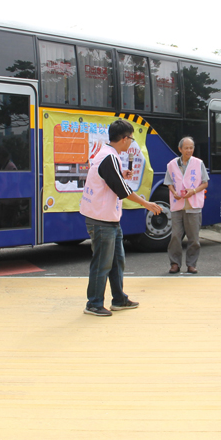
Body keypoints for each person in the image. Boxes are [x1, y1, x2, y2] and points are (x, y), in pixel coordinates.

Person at [79, 119, 162, 317]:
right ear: (124, 139)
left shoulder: (107, 155)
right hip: (101, 220)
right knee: (102, 262)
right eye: (131, 139)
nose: (131, 142)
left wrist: (121, 174)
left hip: (108, 218)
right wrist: (146, 203)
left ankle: (118, 298)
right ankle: (94, 303)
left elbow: (110, 180)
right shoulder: (109, 157)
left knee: (116, 260)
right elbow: (123, 191)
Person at [165, 136, 208, 274]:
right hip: (178, 204)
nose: (189, 150)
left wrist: (193, 191)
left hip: (193, 205)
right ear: (180, 149)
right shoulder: (171, 164)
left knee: (194, 238)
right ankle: (175, 264)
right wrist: (174, 192)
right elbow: (169, 183)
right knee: (175, 237)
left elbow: (205, 183)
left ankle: (191, 264)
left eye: (191, 148)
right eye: (186, 148)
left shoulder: (198, 163)